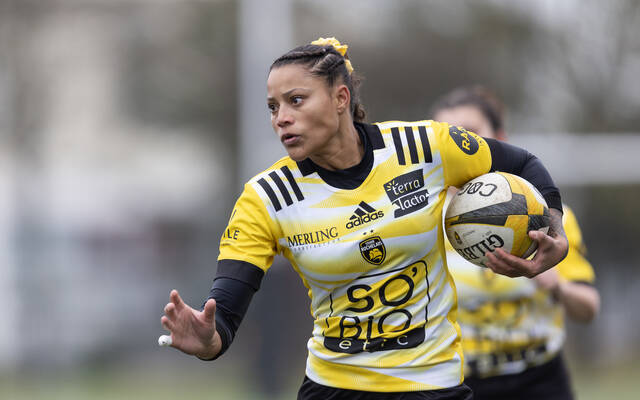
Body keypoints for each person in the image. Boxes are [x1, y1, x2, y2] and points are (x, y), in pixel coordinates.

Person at [159, 38, 569, 400]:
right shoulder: (266, 198)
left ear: (341, 99)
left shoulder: (425, 147)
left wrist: (555, 229)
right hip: (333, 387)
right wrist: (208, 339)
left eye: (295, 100)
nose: (280, 118)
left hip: (431, 385)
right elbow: (225, 312)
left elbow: (525, 163)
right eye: (273, 107)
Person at [431, 85, 600, 400]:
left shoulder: (547, 219)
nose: (459, 148)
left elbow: (588, 309)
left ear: (499, 140)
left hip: (539, 381)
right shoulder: (422, 223)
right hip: (456, 383)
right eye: (448, 139)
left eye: (470, 135)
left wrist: (557, 287)